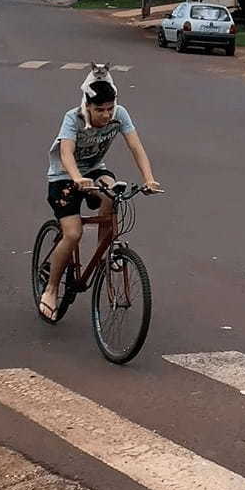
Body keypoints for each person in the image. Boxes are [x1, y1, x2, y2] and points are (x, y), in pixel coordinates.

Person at [40, 79, 160, 322]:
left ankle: (103, 254)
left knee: (112, 192)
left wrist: (149, 179)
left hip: (95, 169)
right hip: (64, 175)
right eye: (100, 110)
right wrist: (77, 179)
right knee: (73, 234)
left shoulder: (120, 113)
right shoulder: (73, 118)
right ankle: (51, 290)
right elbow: (65, 153)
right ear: (88, 106)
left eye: (109, 108)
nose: (106, 115)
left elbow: (136, 147)